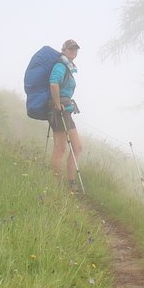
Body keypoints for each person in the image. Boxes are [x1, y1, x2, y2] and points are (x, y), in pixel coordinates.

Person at [48, 39, 82, 189]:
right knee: (61, 147)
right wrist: (57, 104)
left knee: (77, 147)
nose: (73, 52)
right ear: (63, 50)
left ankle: (70, 182)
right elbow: (54, 83)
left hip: (65, 109)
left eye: (75, 49)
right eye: (70, 49)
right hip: (58, 109)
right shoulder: (60, 66)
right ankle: (56, 182)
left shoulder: (68, 66)